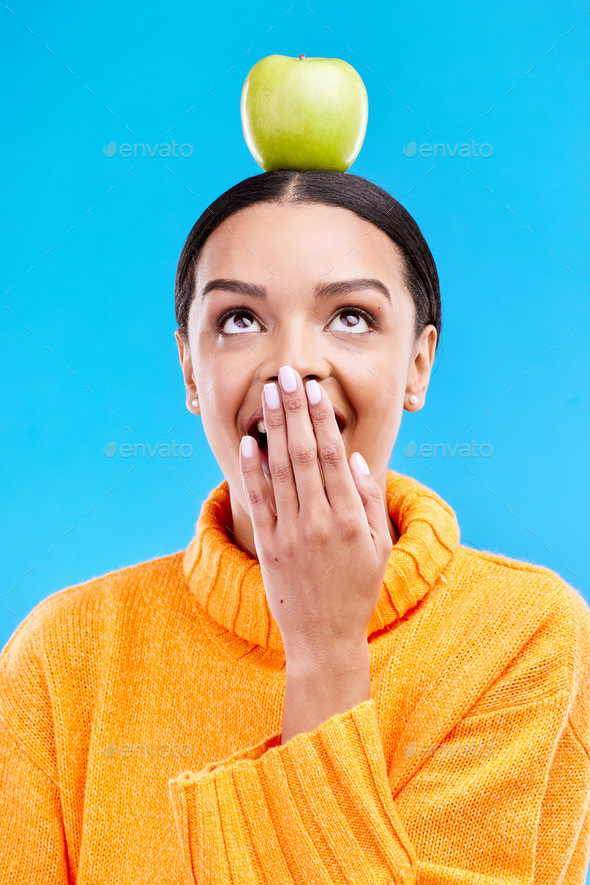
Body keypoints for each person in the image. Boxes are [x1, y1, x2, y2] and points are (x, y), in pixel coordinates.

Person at [1, 169, 589, 884]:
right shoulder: (60, 657)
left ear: (418, 363)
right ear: (190, 369)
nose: (293, 367)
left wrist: (325, 651)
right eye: (240, 320)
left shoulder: (525, 634)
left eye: (351, 316)